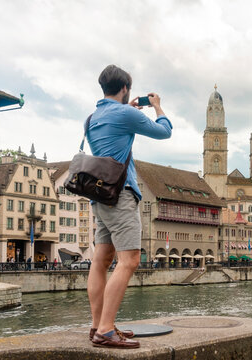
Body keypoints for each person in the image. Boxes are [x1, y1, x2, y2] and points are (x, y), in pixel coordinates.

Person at [87, 64, 172, 349]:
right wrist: (157, 107)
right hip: (121, 195)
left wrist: (131, 111)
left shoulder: (91, 118)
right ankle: (106, 330)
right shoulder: (125, 113)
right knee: (130, 260)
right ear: (125, 89)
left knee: (101, 261)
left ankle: (98, 324)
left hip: (100, 197)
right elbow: (164, 132)